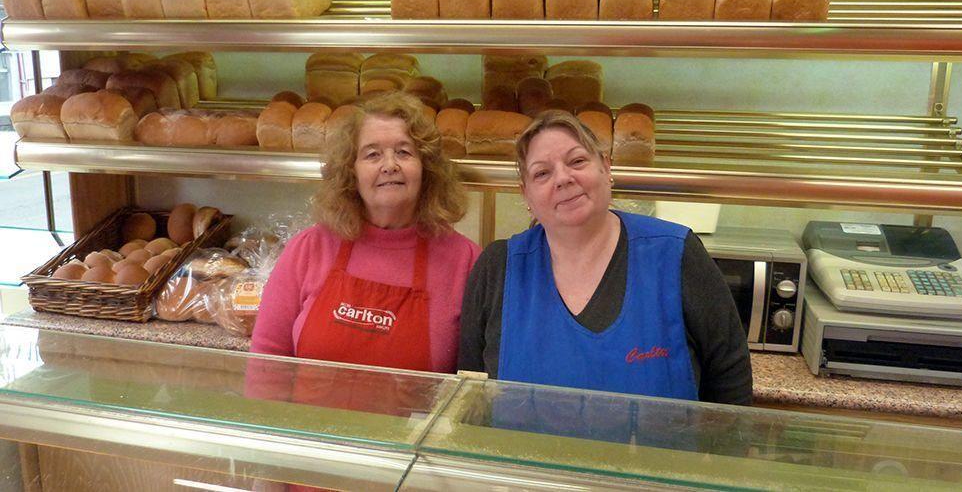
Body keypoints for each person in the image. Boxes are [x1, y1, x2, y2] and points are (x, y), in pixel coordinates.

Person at [458, 110, 752, 405]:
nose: (563, 178)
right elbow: (469, 396)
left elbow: (730, 376)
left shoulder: (676, 254)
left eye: (577, 161)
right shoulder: (497, 269)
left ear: (606, 167)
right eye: (542, 173)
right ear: (526, 196)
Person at [251, 91, 481, 374]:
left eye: (404, 152)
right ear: (351, 173)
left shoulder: (465, 260)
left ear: (426, 168)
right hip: (309, 419)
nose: (390, 165)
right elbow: (267, 362)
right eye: (372, 154)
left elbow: (471, 384)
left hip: (415, 421)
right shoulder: (309, 249)